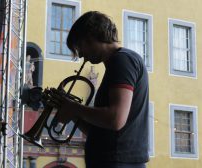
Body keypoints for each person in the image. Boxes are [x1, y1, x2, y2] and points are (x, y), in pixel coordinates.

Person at [50, 11, 149, 168]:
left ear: (90, 37)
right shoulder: (119, 62)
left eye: (79, 47)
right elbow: (98, 132)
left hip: (117, 162)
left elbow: (115, 119)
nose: (81, 55)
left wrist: (74, 107)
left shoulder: (122, 60)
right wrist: (71, 112)